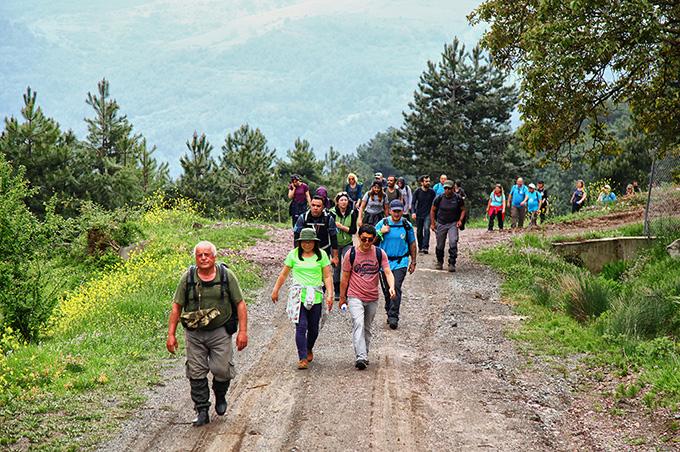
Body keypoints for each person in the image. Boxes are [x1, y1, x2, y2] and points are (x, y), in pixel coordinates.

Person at [166, 241, 249, 427]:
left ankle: (220, 395)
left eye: (207, 255)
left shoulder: (227, 276)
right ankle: (202, 409)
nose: (203, 258)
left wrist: (243, 332)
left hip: (220, 330)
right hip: (194, 332)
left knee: (222, 369)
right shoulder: (187, 278)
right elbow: (176, 306)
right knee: (196, 372)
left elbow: (240, 304)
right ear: (195, 258)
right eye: (199, 255)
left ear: (214, 257)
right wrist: (171, 334)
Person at [271, 228, 334, 369]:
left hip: (316, 296)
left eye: (310, 242)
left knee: (313, 328)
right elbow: (283, 274)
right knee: (301, 326)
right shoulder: (293, 255)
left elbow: (327, 276)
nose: (307, 245)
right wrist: (276, 289)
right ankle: (302, 358)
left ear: (314, 242)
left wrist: (330, 294)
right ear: (299, 243)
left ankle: (309, 347)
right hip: (298, 297)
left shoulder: (321, 255)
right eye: (304, 242)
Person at [339, 224, 396, 370]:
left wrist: (391, 287)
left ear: (373, 239)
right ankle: (361, 357)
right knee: (358, 324)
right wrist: (342, 298)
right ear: (359, 237)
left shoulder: (379, 253)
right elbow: (344, 278)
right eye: (363, 239)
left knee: (367, 327)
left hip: (372, 297)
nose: (366, 243)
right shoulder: (350, 254)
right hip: (355, 295)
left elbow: (388, 272)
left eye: (370, 240)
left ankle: (364, 353)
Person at [375, 200, 417, 329]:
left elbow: (412, 243)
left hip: (401, 262)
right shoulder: (383, 223)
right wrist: (381, 232)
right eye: (395, 211)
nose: (397, 214)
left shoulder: (406, 225)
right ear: (390, 211)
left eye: (399, 211)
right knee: (387, 290)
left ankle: (394, 316)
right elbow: (370, 242)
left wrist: (413, 261)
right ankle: (389, 310)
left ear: (402, 211)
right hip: (384, 262)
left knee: (396, 287)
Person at [293, 196, 339, 265]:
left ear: (323, 207)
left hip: (324, 250)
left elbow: (334, 238)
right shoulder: (303, 218)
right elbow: (296, 236)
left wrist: (335, 257)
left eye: (318, 206)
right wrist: (297, 254)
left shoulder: (329, 219)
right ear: (310, 205)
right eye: (313, 205)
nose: (315, 208)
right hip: (306, 251)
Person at [431, 180, 465, 272]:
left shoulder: (458, 198)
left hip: (453, 223)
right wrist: (433, 223)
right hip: (441, 223)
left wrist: (460, 220)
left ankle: (452, 262)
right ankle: (439, 261)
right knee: (440, 244)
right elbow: (433, 210)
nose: (447, 190)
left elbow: (463, 209)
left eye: (449, 188)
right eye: (445, 188)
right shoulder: (439, 198)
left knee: (453, 241)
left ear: (453, 189)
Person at [332, 192, 358, 300]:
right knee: (336, 267)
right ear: (337, 202)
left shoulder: (352, 213)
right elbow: (330, 230)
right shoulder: (332, 213)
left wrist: (341, 227)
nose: (343, 202)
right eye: (341, 200)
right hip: (335, 243)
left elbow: (353, 230)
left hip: (347, 243)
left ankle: (347, 289)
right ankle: (337, 291)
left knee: (348, 266)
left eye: (345, 200)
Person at [411, 175, 436, 253]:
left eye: (429, 181)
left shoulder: (432, 192)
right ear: (422, 182)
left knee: (426, 229)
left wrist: (435, 215)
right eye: (426, 181)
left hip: (428, 214)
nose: (428, 183)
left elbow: (435, 203)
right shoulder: (417, 191)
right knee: (419, 231)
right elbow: (413, 203)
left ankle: (425, 247)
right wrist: (413, 212)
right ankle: (421, 246)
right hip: (419, 214)